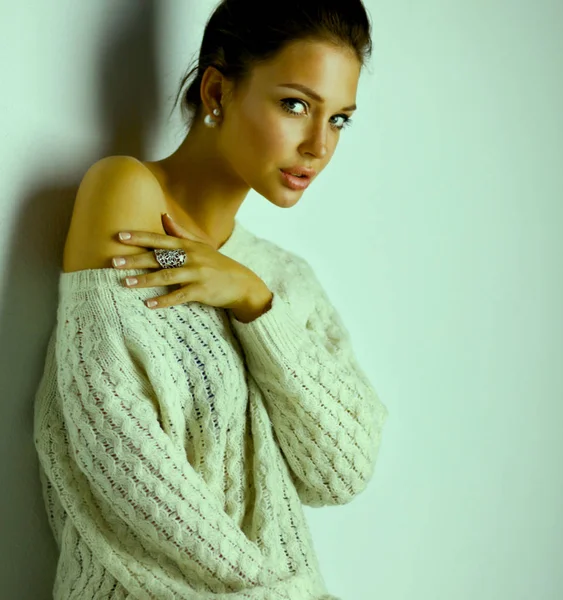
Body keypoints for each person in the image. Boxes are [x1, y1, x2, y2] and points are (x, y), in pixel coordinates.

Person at [33, 0, 389, 598]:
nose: (318, 146)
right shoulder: (128, 196)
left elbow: (340, 471)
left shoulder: (283, 279)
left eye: (339, 120)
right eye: (296, 105)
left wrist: (253, 301)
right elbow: (117, 448)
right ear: (218, 91)